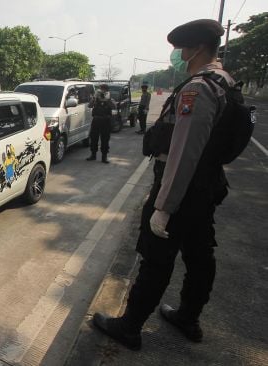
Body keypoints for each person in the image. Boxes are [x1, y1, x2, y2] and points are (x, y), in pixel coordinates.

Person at [92, 19, 231, 351]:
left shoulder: (198, 88)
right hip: (206, 185)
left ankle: (130, 326)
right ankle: (188, 316)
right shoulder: (225, 82)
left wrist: (164, 207)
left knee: (156, 259)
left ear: (197, 48)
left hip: (182, 189)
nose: (180, 55)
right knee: (200, 254)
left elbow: (183, 154)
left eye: (182, 49)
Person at [87, 84, 114, 163]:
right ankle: (93, 155)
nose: (102, 91)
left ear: (107, 90)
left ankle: (104, 157)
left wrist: (108, 100)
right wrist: (94, 98)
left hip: (105, 121)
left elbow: (114, 106)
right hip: (96, 121)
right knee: (93, 138)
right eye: (101, 89)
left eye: (104, 89)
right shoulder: (96, 98)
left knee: (105, 140)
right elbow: (89, 105)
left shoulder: (109, 98)